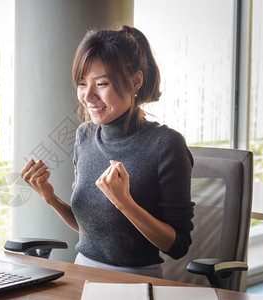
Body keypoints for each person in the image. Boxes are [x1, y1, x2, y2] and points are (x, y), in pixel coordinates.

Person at [20, 25, 194, 278]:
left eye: (101, 83)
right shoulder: (85, 135)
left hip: (136, 280)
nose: (88, 96)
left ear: (135, 81)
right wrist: (51, 199)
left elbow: (178, 246)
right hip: (81, 271)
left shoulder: (166, 145)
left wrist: (125, 203)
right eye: (82, 83)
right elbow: (92, 230)